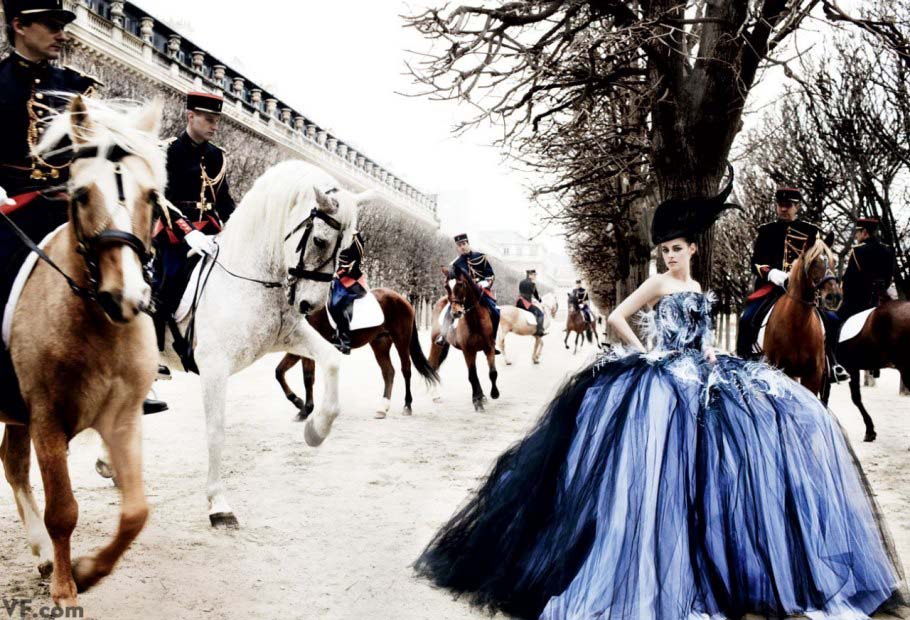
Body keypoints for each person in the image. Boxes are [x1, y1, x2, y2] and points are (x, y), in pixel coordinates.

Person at [415, 174, 905, 620]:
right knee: (657, 468)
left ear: (693, 249)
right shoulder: (657, 282)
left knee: (774, 422)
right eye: (664, 249)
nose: (669, 256)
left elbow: (702, 334)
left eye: (676, 249)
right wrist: (646, 354)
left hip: (701, 370)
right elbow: (617, 318)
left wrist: (712, 355)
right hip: (664, 373)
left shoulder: (695, 283)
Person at [0, 1, 173, 414]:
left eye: (63, 24)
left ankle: (140, 370)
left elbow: (111, 151)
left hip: (75, 208)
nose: (62, 33)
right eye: (52, 24)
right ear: (20, 25)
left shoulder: (80, 85)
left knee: (134, 259)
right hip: (14, 211)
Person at [152, 91, 234, 381]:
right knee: (166, 282)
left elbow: (223, 201)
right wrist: (186, 232)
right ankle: (153, 354)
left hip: (210, 230)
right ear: (190, 116)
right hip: (175, 232)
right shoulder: (169, 150)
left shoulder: (217, 156)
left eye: (216, 121)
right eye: (209, 120)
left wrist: (237, 227)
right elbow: (160, 197)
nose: (214, 126)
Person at [735, 187, 824, 359]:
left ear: (797, 207)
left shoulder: (810, 232)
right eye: (780, 205)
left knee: (832, 320)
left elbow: (817, 263)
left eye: (788, 205)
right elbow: (756, 262)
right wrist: (771, 274)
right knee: (747, 319)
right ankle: (743, 359)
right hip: (771, 288)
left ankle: (831, 362)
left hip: (803, 291)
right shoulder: (766, 231)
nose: (783, 209)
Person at [438, 233, 500, 352]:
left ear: (468, 244)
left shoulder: (480, 257)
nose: (462, 247)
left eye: (464, 244)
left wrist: (485, 283)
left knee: (496, 312)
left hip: (481, 291)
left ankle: (493, 340)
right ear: (457, 247)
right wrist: (448, 275)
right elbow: (453, 278)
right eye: (459, 245)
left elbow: (490, 274)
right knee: (449, 310)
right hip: (464, 293)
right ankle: (443, 335)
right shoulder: (456, 263)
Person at [839, 216, 895, 320]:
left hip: (859, 304)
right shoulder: (887, 250)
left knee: (835, 324)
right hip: (880, 301)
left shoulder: (858, 250)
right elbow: (888, 279)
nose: (856, 235)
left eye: (857, 232)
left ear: (864, 232)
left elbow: (849, 282)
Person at [327, 231, 366, 354]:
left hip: (352, 280)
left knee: (338, 304)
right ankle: (333, 333)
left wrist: (338, 273)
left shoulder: (355, 238)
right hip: (338, 279)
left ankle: (345, 340)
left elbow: (355, 261)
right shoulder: (338, 235)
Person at [516, 269, 545, 336]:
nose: (535, 276)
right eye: (534, 275)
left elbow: (521, 292)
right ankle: (539, 331)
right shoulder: (532, 284)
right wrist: (540, 300)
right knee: (540, 314)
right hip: (526, 303)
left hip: (519, 302)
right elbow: (536, 295)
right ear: (530, 275)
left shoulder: (521, 282)